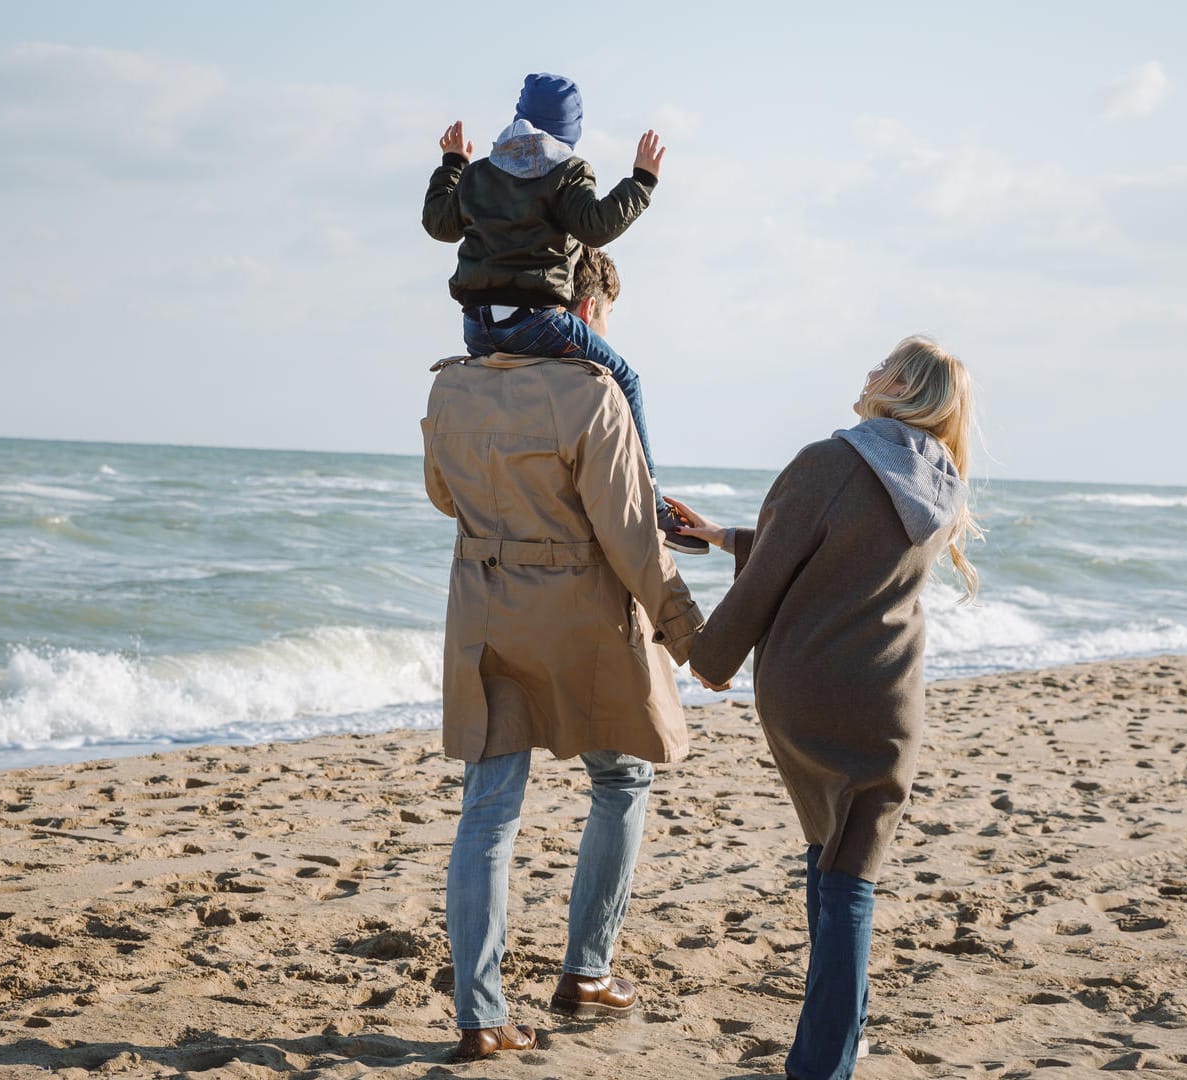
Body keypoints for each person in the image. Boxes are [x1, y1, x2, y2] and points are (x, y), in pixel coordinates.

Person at [420, 245, 705, 1062]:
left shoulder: (450, 384)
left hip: (486, 610)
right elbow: (632, 543)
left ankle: (480, 1015)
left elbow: (444, 495)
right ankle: (587, 970)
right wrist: (691, 635)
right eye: (606, 319)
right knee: (622, 776)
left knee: (489, 809)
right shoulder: (594, 390)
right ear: (585, 311)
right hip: (581, 616)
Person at [672, 336, 982, 1080]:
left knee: (837, 868)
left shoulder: (830, 460)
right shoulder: (940, 483)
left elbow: (776, 574)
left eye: (882, 364)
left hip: (809, 686)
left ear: (902, 383)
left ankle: (822, 1063)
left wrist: (712, 659)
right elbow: (844, 554)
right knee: (848, 857)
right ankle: (840, 1037)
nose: (868, 372)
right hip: (891, 696)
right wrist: (723, 536)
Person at [422, 72, 707, 555]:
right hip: (535, 322)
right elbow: (596, 227)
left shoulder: (479, 173)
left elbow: (438, 224)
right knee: (626, 378)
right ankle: (654, 501)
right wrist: (643, 180)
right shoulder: (569, 171)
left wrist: (453, 163)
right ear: (569, 127)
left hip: (477, 326)